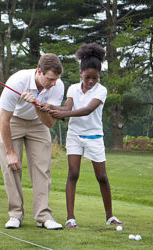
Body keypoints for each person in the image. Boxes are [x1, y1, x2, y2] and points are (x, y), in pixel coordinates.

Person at [48, 43, 125, 228]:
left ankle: (110, 217)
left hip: (94, 137)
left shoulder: (101, 90)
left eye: (95, 78)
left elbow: (88, 110)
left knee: (102, 177)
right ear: (80, 73)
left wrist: (63, 114)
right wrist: (49, 107)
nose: (91, 81)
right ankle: (70, 218)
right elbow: (67, 107)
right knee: (73, 173)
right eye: (88, 77)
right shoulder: (73, 88)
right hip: (74, 135)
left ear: (99, 76)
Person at [0, 53, 64, 230]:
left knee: (42, 168)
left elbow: (49, 122)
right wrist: (10, 153)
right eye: (50, 79)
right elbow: (3, 119)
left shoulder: (57, 86)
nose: (53, 84)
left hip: (38, 123)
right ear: (39, 71)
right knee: (11, 167)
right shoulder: (17, 81)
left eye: (56, 79)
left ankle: (43, 216)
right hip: (13, 121)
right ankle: (15, 215)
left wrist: (36, 104)